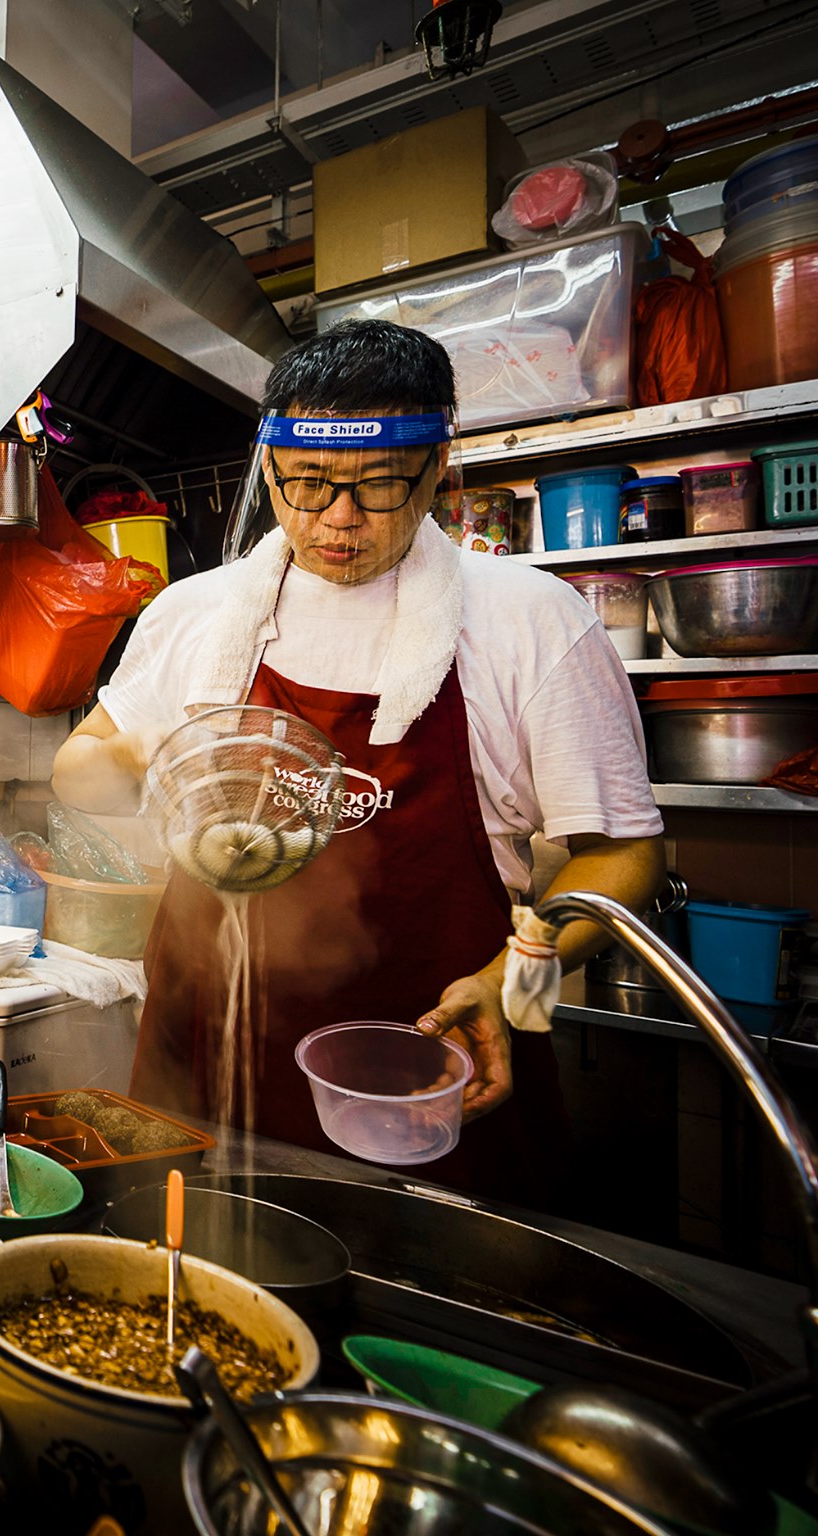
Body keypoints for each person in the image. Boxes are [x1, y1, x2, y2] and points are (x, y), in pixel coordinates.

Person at [52, 319, 665, 1204]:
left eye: (379, 487)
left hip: (427, 1065)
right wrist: (155, 750)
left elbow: (627, 852)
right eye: (307, 486)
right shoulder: (198, 614)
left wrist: (512, 979)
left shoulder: (529, 622)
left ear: (438, 469)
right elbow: (81, 771)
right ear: (268, 469)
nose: (338, 520)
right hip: (205, 1068)